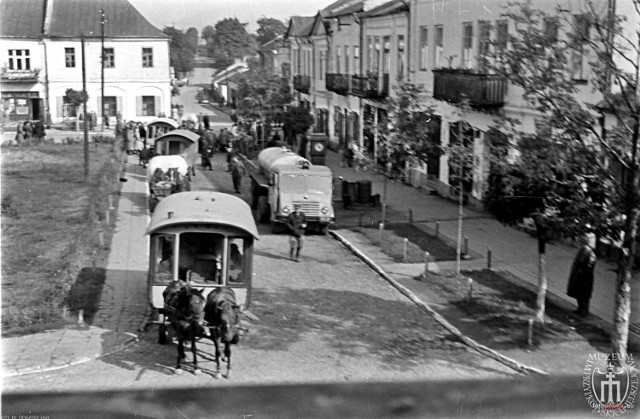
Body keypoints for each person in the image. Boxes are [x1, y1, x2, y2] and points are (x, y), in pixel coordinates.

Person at [567, 233, 597, 318]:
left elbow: (589, 268)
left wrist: (582, 274)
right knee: (578, 294)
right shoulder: (583, 250)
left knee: (583, 296)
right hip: (579, 276)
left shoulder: (591, 254)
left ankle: (584, 311)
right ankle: (580, 309)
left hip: (584, 279)